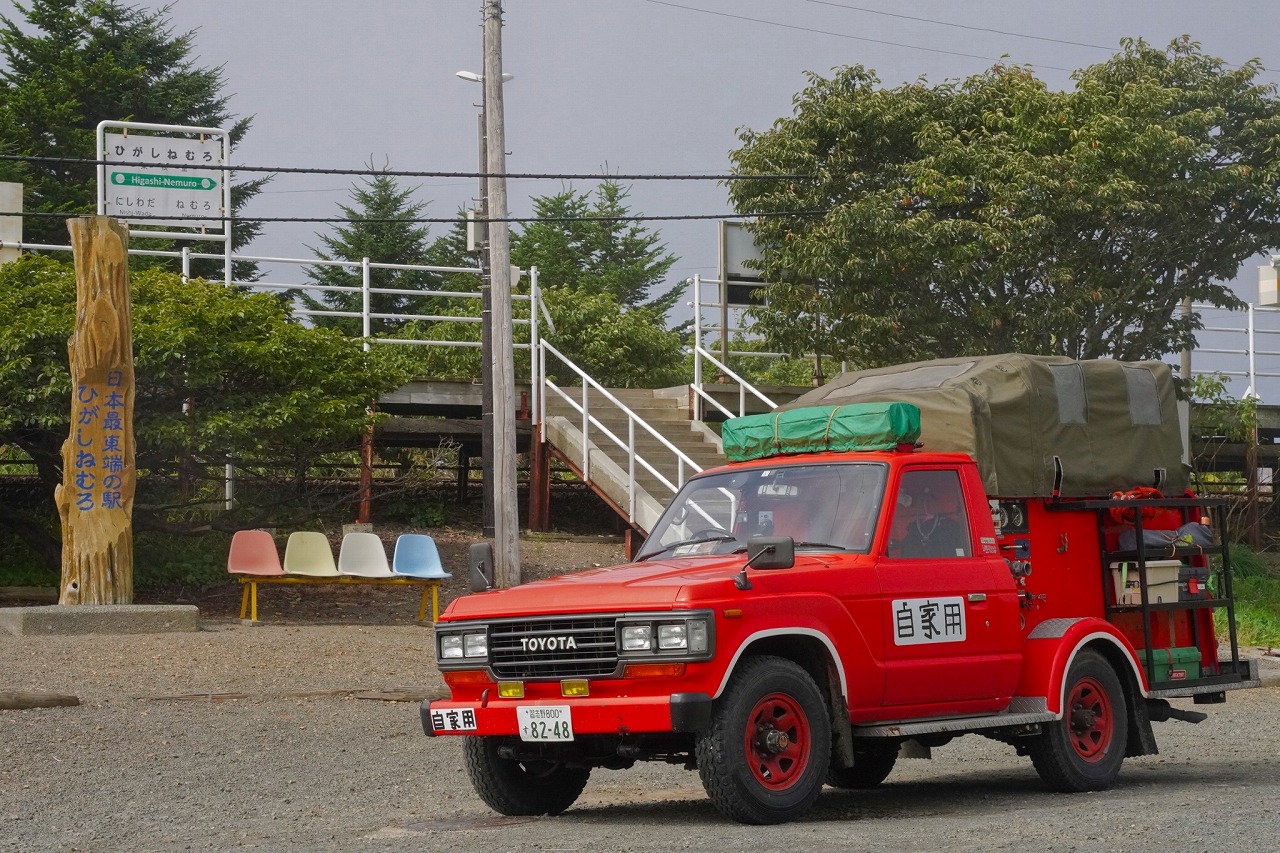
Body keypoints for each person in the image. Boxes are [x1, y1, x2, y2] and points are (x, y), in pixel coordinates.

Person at [900, 489, 969, 558]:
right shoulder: (913, 528)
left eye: (929, 504)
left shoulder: (947, 525)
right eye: (923, 504)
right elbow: (907, 552)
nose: (926, 508)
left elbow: (955, 548)